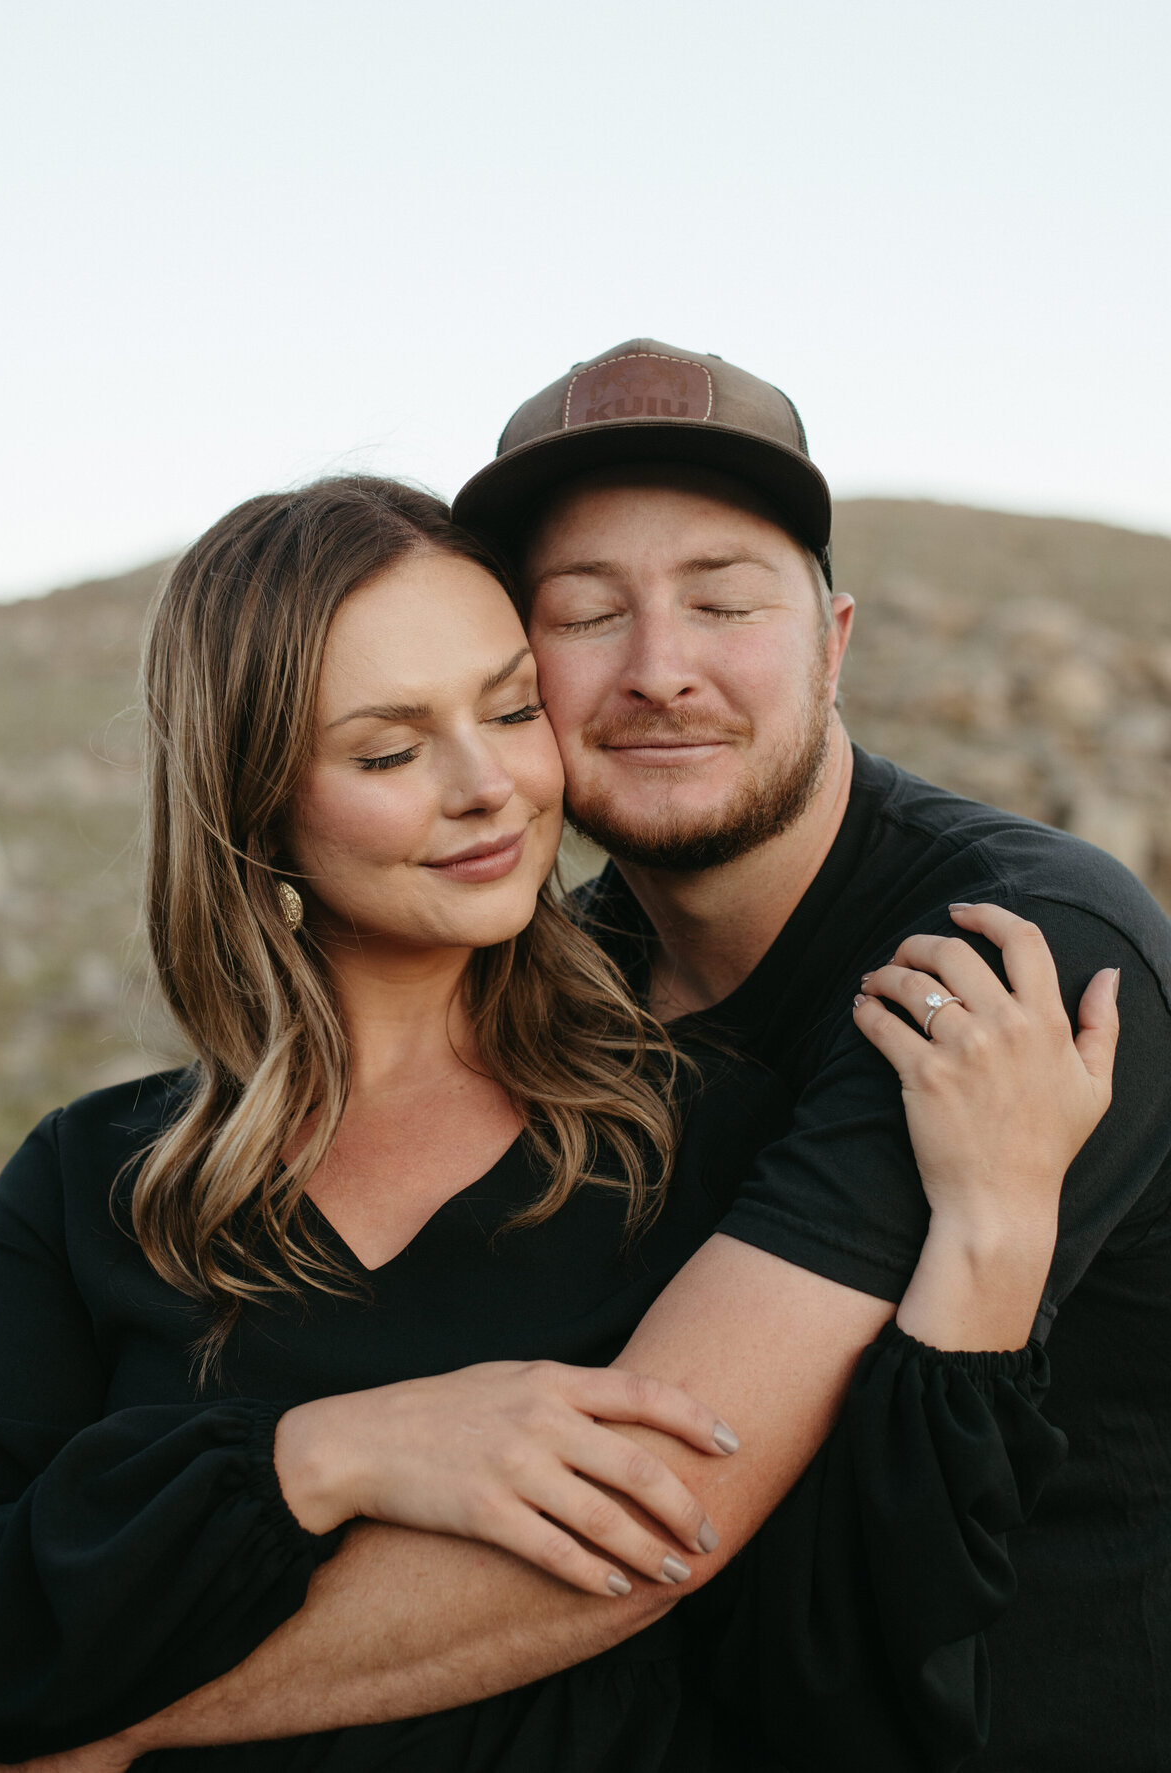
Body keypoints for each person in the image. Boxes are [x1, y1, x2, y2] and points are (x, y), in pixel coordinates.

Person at [0, 476, 1114, 1772]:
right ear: (254, 798)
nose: (491, 788)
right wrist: (319, 1457)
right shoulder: (89, 1184)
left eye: (513, 709)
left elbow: (833, 1674)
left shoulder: (695, 1135)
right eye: (390, 750)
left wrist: (993, 1232)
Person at [447, 338, 1171, 1772]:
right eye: (586, 615)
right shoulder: (553, 988)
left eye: (723, 602)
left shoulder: (1015, 953)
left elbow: (656, 1504)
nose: (661, 671)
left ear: (835, 641)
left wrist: (100, 1711)